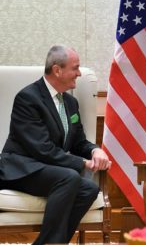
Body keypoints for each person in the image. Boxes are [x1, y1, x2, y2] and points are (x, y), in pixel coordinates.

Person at [0, 45, 111, 244]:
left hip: (48, 169)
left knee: (89, 189)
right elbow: (42, 149)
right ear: (57, 70)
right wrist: (83, 163)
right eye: (75, 68)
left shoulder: (70, 103)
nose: (79, 73)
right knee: (68, 177)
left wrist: (95, 150)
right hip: (21, 168)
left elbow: (78, 142)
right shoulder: (28, 98)